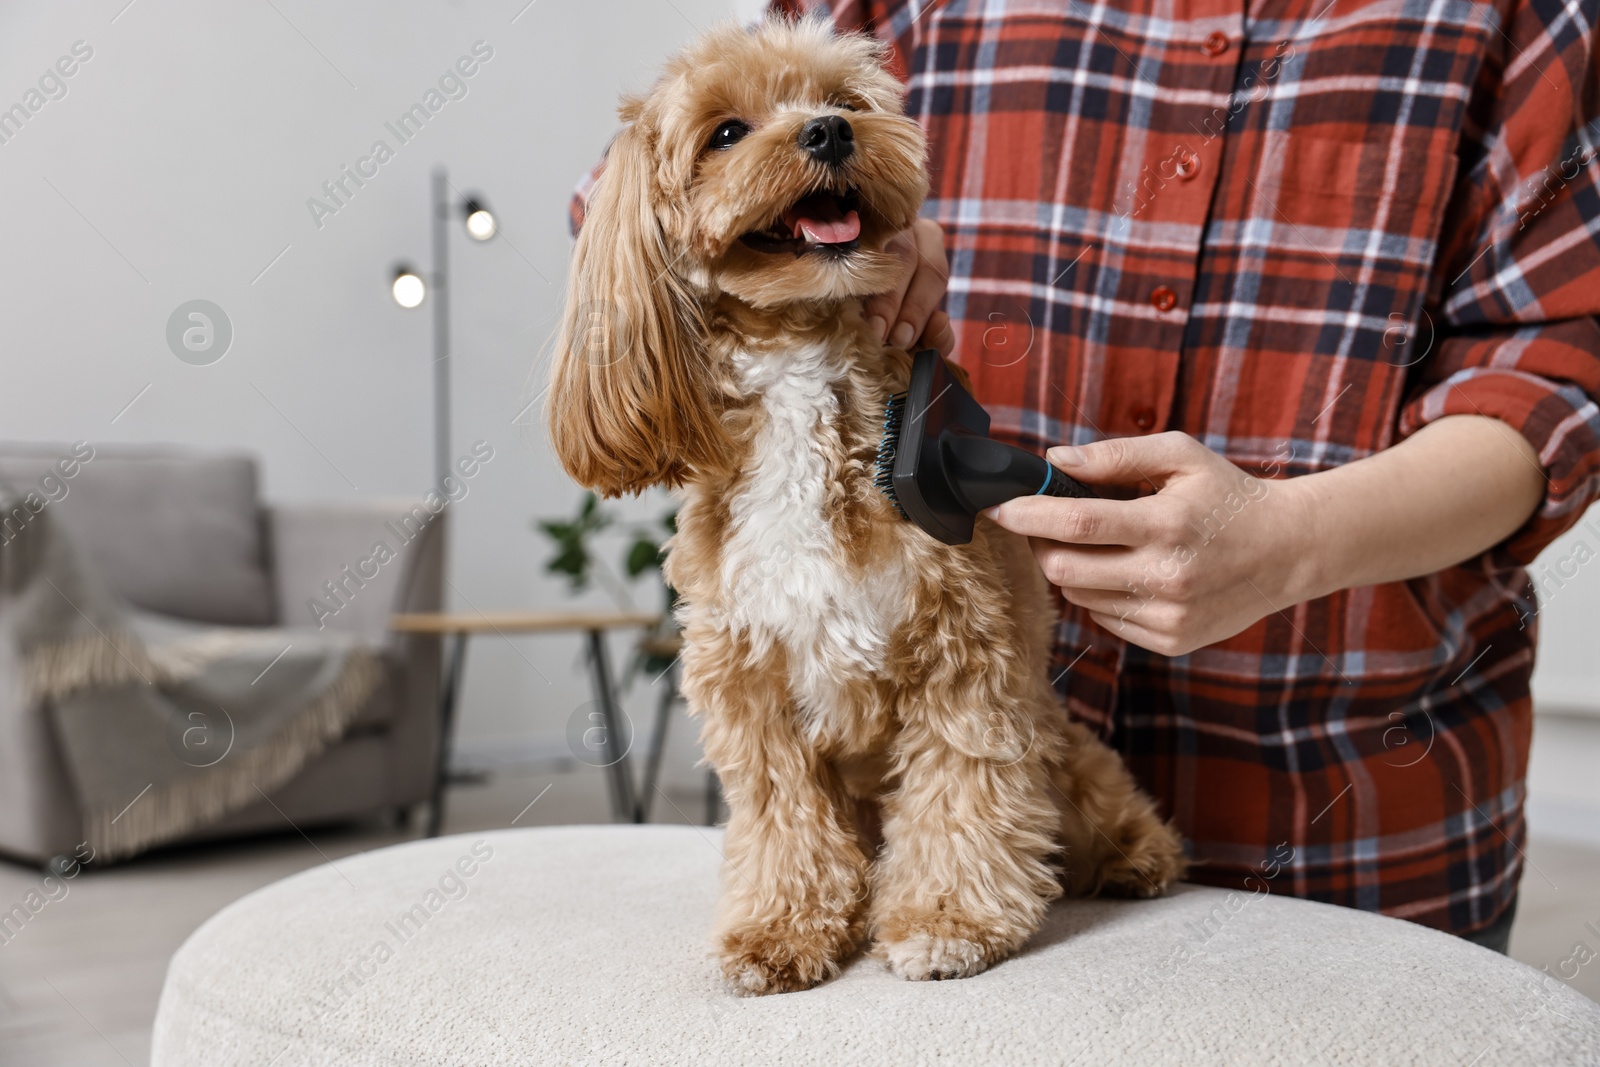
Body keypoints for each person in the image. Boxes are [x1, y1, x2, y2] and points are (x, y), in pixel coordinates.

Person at [578, 0, 1600, 952]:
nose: (822, 130)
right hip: (893, 855)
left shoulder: (1512, 14)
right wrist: (866, 217)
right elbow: (631, 203)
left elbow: (1558, 375)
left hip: (1349, 811)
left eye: (845, 112)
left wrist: (1298, 537)